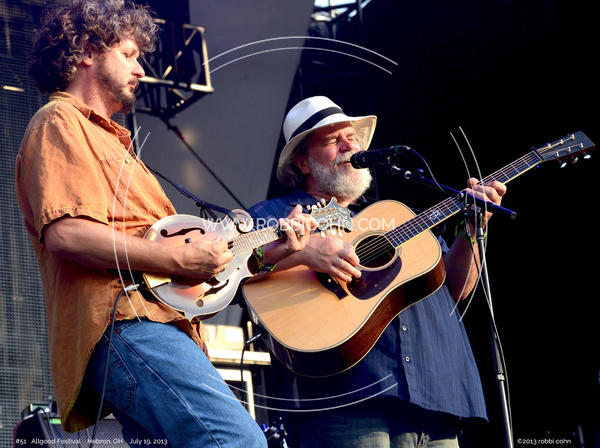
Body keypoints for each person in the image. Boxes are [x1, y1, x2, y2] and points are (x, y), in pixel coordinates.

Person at [15, 1, 314, 446]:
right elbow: (67, 233)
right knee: (240, 441)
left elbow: (186, 270)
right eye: (129, 54)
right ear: (87, 52)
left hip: (151, 324)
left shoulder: (114, 144)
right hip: (128, 323)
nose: (141, 69)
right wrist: (177, 258)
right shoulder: (58, 121)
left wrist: (269, 255)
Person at [247, 96, 507, 447]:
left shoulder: (396, 216)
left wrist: (473, 228)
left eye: (351, 137)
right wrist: (305, 252)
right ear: (303, 163)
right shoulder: (276, 213)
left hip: (436, 394)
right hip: (348, 396)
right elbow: (234, 263)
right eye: (332, 140)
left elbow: (456, 288)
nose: (348, 145)